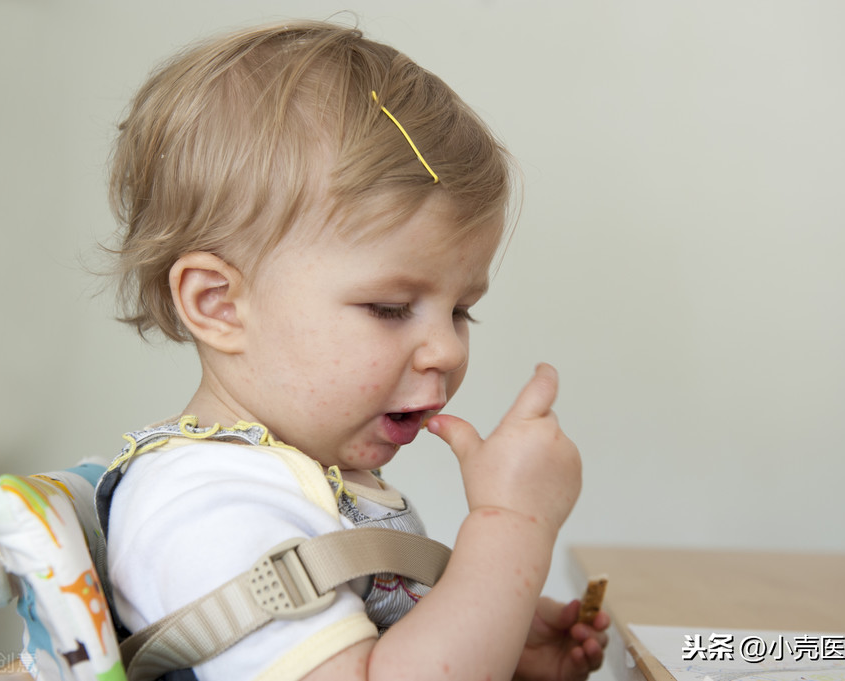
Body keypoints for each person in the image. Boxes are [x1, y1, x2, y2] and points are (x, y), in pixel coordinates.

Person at [98, 20, 609, 681]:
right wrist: (512, 524)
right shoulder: (209, 508)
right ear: (219, 304)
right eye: (390, 308)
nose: (446, 350)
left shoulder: (304, 480)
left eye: (460, 310)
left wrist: (502, 643)